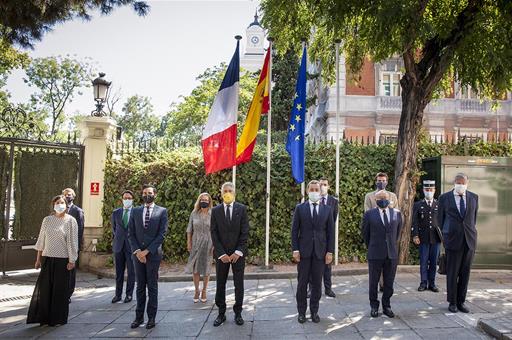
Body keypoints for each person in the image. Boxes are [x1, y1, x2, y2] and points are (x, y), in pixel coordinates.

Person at [27, 195, 78, 326]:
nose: (59, 204)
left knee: (59, 291)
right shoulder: (47, 220)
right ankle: (44, 317)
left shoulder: (71, 221)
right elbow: (41, 240)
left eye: (62, 202)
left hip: (63, 261)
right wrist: (38, 260)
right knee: (45, 290)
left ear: (66, 205)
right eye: (57, 202)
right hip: (47, 259)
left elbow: (73, 242)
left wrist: (72, 260)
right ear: (53, 204)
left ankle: (57, 318)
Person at [292, 180, 335, 324]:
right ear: (307, 191)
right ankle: (301, 313)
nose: (315, 191)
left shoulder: (327, 209)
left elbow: (330, 232)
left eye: (317, 189)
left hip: (320, 253)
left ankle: (314, 311)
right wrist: (295, 249)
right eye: (312, 189)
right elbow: (294, 231)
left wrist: (330, 251)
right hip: (304, 252)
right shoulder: (300, 208)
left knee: (317, 284)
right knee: (302, 284)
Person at [127, 184, 168, 329]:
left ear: (154, 194)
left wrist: (147, 251)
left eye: (149, 193)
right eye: (144, 193)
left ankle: (151, 318)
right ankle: (138, 318)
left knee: (152, 286)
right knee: (139, 287)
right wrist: (138, 251)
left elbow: (161, 234)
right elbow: (131, 233)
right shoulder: (136, 211)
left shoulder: (162, 211)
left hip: (153, 255)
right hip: (137, 256)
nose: (146, 195)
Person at [438, 173, 478, 314]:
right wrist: (447, 234)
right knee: (453, 272)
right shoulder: (444, 198)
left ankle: (461, 301)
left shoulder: (474, 197)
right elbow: (440, 220)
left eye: (463, 183)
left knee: (465, 273)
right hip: (452, 240)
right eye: (458, 182)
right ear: (454, 183)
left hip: (469, 241)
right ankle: (452, 302)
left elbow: (473, 219)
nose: (461, 185)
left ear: (467, 183)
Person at [210, 182, 249, 327]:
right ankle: (221, 313)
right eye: (225, 190)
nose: (227, 193)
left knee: (239, 284)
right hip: (222, 256)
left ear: (234, 193)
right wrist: (221, 253)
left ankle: (238, 313)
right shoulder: (215, 210)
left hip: (238, 255)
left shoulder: (241, 209)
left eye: (230, 190)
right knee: (220, 283)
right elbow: (213, 232)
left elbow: (245, 232)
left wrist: (238, 251)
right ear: (221, 193)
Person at [362, 190, 402, 318]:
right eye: (380, 198)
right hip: (375, 252)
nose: (383, 199)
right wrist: (372, 246)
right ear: (375, 200)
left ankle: (387, 305)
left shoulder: (396, 214)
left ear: (389, 199)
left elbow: (398, 233)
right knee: (373, 282)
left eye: (385, 197)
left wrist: (391, 245)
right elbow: (365, 234)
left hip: (391, 253)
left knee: (389, 282)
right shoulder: (369, 214)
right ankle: (374, 306)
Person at [363, 172, 399, 292]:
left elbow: (396, 216)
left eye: (383, 180)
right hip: (376, 234)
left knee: (389, 270)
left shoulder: (392, 196)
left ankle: (385, 287)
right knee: (375, 271)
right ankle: (379, 285)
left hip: (389, 236)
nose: (381, 182)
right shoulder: (369, 196)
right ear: (376, 181)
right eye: (379, 180)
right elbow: (367, 214)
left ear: (387, 182)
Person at [307, 178, 338, 298]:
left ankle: (328, 288)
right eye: (321, 185)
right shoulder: (313, 199)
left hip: (325, 238)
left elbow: (332, 219)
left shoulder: (333, 201)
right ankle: (311, 289)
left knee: (327, 265)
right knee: (311, 266)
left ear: (328, 186)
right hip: (313, 239)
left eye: (325, 184)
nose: (323, 186)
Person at [412, 180, 442, 292]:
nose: (429, 191)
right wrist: (415, 235)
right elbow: (414, 221)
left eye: (431, 190)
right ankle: (423, 283)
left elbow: (442, 221)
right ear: (424, 191)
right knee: (424, 261)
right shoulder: (418, 205)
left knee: (434, 262)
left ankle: (432, 283)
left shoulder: (439, 204)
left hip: (436, 238)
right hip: (423, 237)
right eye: (427, 190)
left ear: (434, 191)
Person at [185, 192, 213, 303]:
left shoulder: (213, 213)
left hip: (208, 243)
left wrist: (215, 244)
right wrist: (189, 242)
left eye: (206, 200)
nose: (204, 202)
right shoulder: (194, 213)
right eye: (202, 200)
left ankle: (204, 290)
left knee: (206, 268)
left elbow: (215, 230)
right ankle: (197, 290)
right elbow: (189, 229)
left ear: (209, 202)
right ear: (199, 201)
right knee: (195, 268)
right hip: (196, 242)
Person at [111, 190, 136, 303]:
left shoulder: (137, 212)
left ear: (133, 200)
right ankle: (118, 295)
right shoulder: (116, 212)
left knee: (131, 272)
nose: (127, 200)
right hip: (118, 246)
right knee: (119, 272)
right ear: (122, 199)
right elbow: (114, 229)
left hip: (131, 246)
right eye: (125, 198)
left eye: (129, 198)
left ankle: (129, 294)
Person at [62, 188, 84, 302]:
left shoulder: (77, 211)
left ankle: (68, 293)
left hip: (72, 245)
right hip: (61, 246)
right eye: (65, 195)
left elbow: (80, 230)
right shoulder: (60, 210)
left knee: (71, 270)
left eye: (69, 195)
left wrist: (76, 247)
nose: (67, 197)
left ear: (73, 196)